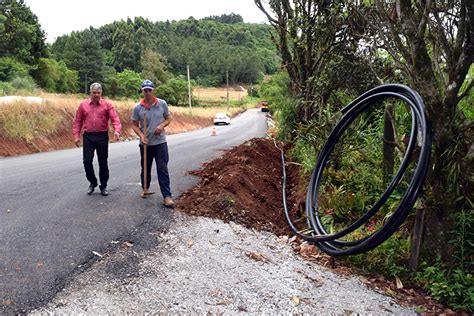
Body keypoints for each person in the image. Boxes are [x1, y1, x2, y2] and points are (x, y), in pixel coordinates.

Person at [72, 82, 121, 196]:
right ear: (90, 93)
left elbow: (115, 119)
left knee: (103, 162)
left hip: (102, 136)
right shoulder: (83, 105)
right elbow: (77, 121)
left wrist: (117, 131)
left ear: (101, 93)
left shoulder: (107, 105)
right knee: (87, 161)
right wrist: (76, 135)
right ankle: (93, 182)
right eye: (94, 93)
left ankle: (103, 186)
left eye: (98, 93)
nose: (96, 95)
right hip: (88, 136)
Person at [131, 80, 175, 207]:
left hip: (160, 143)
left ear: (153, 90)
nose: (147, 92)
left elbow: (168, 119)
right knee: (145, 168)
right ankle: (145, 188)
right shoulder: (138, 107)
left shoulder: (162, 104)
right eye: (145, 90)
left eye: (149, 90)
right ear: (142, 91)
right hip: (145, 144)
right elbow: (134, 125)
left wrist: (161, 125)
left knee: (162, 168)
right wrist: (141, 135)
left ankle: (167, 196)